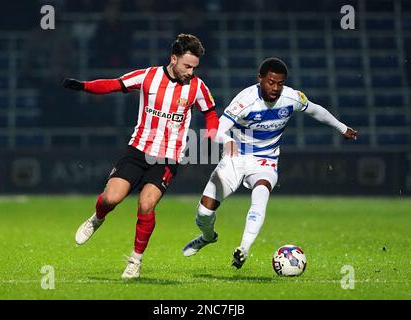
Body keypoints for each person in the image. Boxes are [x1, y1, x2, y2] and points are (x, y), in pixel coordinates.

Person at [63, 33, 219, 279]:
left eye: (194, 67)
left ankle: (135, 260)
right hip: (137, 151)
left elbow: (210, 113)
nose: (190, 71)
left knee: (146, 205)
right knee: (110, 199)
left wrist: (210, 136)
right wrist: (84, 86)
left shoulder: (197, 87)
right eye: (187, 66)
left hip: (167, 158)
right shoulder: (148, 76)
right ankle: (97, 218)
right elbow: (114, 84)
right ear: (174, 58)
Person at [182, 57, 357, 269]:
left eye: (280, 83)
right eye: (271, 82)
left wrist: (341, 127)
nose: (275, 88)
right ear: (260, 79)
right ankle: (208, 237)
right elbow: (216, 130)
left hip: (266, 160)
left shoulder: (291, 98)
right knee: (204, 212)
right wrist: (227, 140)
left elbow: (315, 109)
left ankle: (243, 248)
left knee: (261, 192)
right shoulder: (244, 101)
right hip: (235, 158)